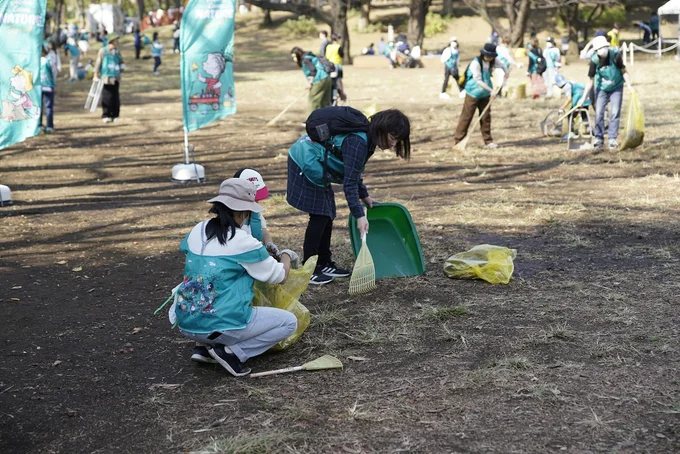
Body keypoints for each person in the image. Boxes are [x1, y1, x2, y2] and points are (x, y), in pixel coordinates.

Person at [174, 178, 299, 377]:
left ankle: (205, 348)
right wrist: (286, 255)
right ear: (243, 212)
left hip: (185, 320)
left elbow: (189, 252)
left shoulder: (197, 230)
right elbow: (279, 276)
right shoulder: (244, 242)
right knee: (289, 322)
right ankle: (233, 353)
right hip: (220, 322)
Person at [286, 108, 411, 285]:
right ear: (381, 129)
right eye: (392, 138)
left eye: (397, 141)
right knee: (319, 215)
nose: (393, 145)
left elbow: (353, 171)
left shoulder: (368, 141)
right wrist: (359, 215)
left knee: (327, 213)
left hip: (317, 163)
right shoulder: (358, 142)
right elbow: (349, 182)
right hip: (305, 160)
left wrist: (365, 196)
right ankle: (310, 268)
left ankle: (323, 262)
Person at [577, 35, 634, 150]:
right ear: (596, 50)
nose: (602, 50)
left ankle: (612, 139)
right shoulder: (594, 60)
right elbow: (590, 81)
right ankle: (598, 138)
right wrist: (583, 97)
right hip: (601, 89)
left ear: (607, 46)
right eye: (599, 49)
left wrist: (629, 86)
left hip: (616, 87)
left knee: (615, 112)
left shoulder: (615, 55)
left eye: (604, 47)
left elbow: (624, 71)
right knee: (599, 113)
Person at [454, 43, 508, 149]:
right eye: (487, 56)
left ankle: (488, 141)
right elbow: (478, 80)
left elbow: (503, 65)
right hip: (473, 93)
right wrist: (492, 90)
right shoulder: (476, 63)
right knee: (467, 117)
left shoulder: (493, 61)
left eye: (491, 56)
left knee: (486, 117)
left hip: (485, 95)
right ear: (483, 54)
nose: (489, 58)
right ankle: (459, 140)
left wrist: (506, 74)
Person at [290, 47, 332, 114]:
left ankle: (310, 120)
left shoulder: (305, 59)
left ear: (298, 54)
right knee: (324, 101)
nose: (294, 59)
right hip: (327, 77)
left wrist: (310, 83)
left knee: (313, 100)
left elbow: (313, 71)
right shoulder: (310, 56)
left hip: (320, 79)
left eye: (295, 56)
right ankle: (324, 119)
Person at [94, 33, 124, 123]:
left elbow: (121, 61)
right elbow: (98, 63)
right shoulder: (103, 51)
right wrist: (96, 74)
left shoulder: (117, 51)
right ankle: (106, 114)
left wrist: (122, 67)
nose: (117, 42)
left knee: (115, 97)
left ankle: (115, 115)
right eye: (116, 40)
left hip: (115, 76)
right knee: (107, 96)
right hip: (106, 77)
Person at [554, 74, 592, 140]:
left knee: (570, 115)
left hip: (578, 99)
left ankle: (571, 132)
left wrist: (562, 107)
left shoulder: (566, 86)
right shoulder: (571, 82)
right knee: (584, 115)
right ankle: (589, 129)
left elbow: (569, 99)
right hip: (585, 98)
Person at [39, 46, 55, 133]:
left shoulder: (36, 61)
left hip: (38, 86)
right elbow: (54, 71)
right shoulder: (49, 60)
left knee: (39, 106)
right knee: (49, 107)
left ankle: (39, 125)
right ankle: (49, 126)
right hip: (48, 85)